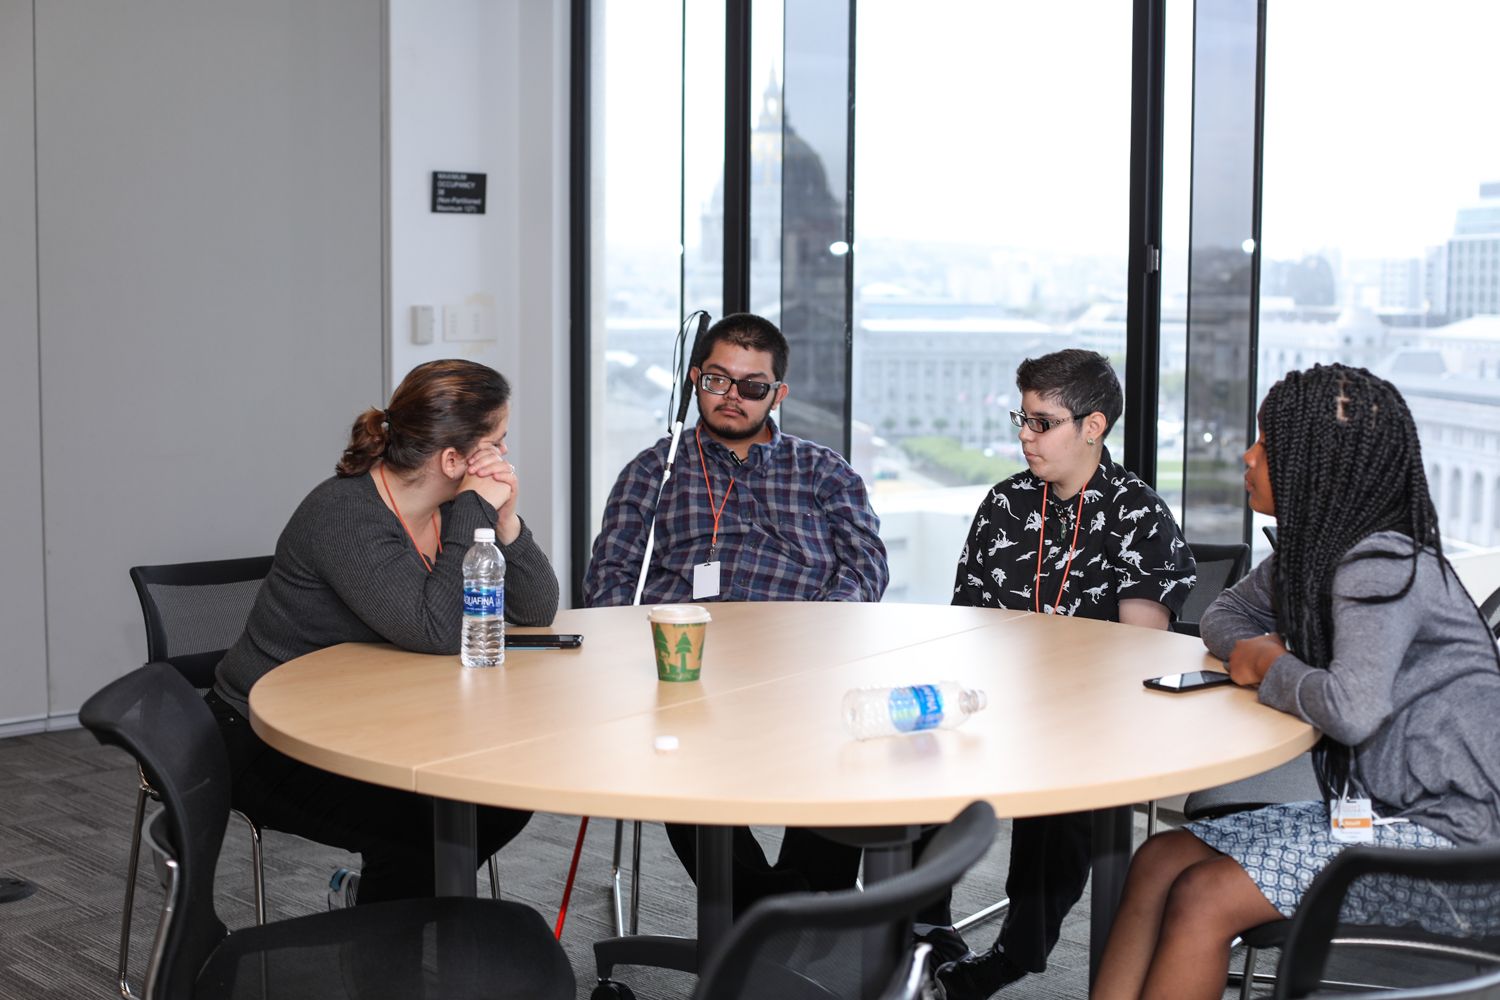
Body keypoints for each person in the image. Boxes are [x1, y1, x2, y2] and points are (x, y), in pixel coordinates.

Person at [1094, 364, 1500, 1000]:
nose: (1247, 456)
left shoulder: (1377, 564)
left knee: (1204, 896)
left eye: (1267, 445)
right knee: (1158, 860)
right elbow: (1227, 614)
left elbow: (1352, 710)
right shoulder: (1313, 555)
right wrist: (1260, 648)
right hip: (1378, 815)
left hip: (1456, 844)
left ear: (1317, 465)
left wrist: (1269, 667)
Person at [207, 359, 560, 904]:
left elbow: (538, 609)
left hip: (374, 717)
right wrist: (473, 513)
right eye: (497, 441)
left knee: (499, 801)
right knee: (420, 836)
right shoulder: (345, 514)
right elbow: (436, 630)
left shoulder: (453, 509)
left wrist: (507, 521)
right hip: (265, 734)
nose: (505, 455)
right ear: (452, 459)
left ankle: (396, 913)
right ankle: (387, 946)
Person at [584, 311, 888, 911]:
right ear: (695, 378)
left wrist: (816, 629)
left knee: (850, 761)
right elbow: (610, 577)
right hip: (687, 670)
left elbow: (866, 566)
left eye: (753, 387)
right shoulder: (657, 467)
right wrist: (635, 655)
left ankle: (804, 905)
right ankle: (773, 908)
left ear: (778, 393)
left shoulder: (823, 470)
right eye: (717, 381)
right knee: (681, 766)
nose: (732, 397)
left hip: (800, 666)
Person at [933, 348, 1196, 999]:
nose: (1025, 436)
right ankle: (925, 929)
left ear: (1093, 426)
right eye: (1021, 419)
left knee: (1061, 792)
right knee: (905, 747)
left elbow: (1139, 651)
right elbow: (962, 620)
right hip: (990, 701)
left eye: (1041, 422)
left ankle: (1016, 953)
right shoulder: (1004, 504)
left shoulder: (1137, 515)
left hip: (1089, 719)